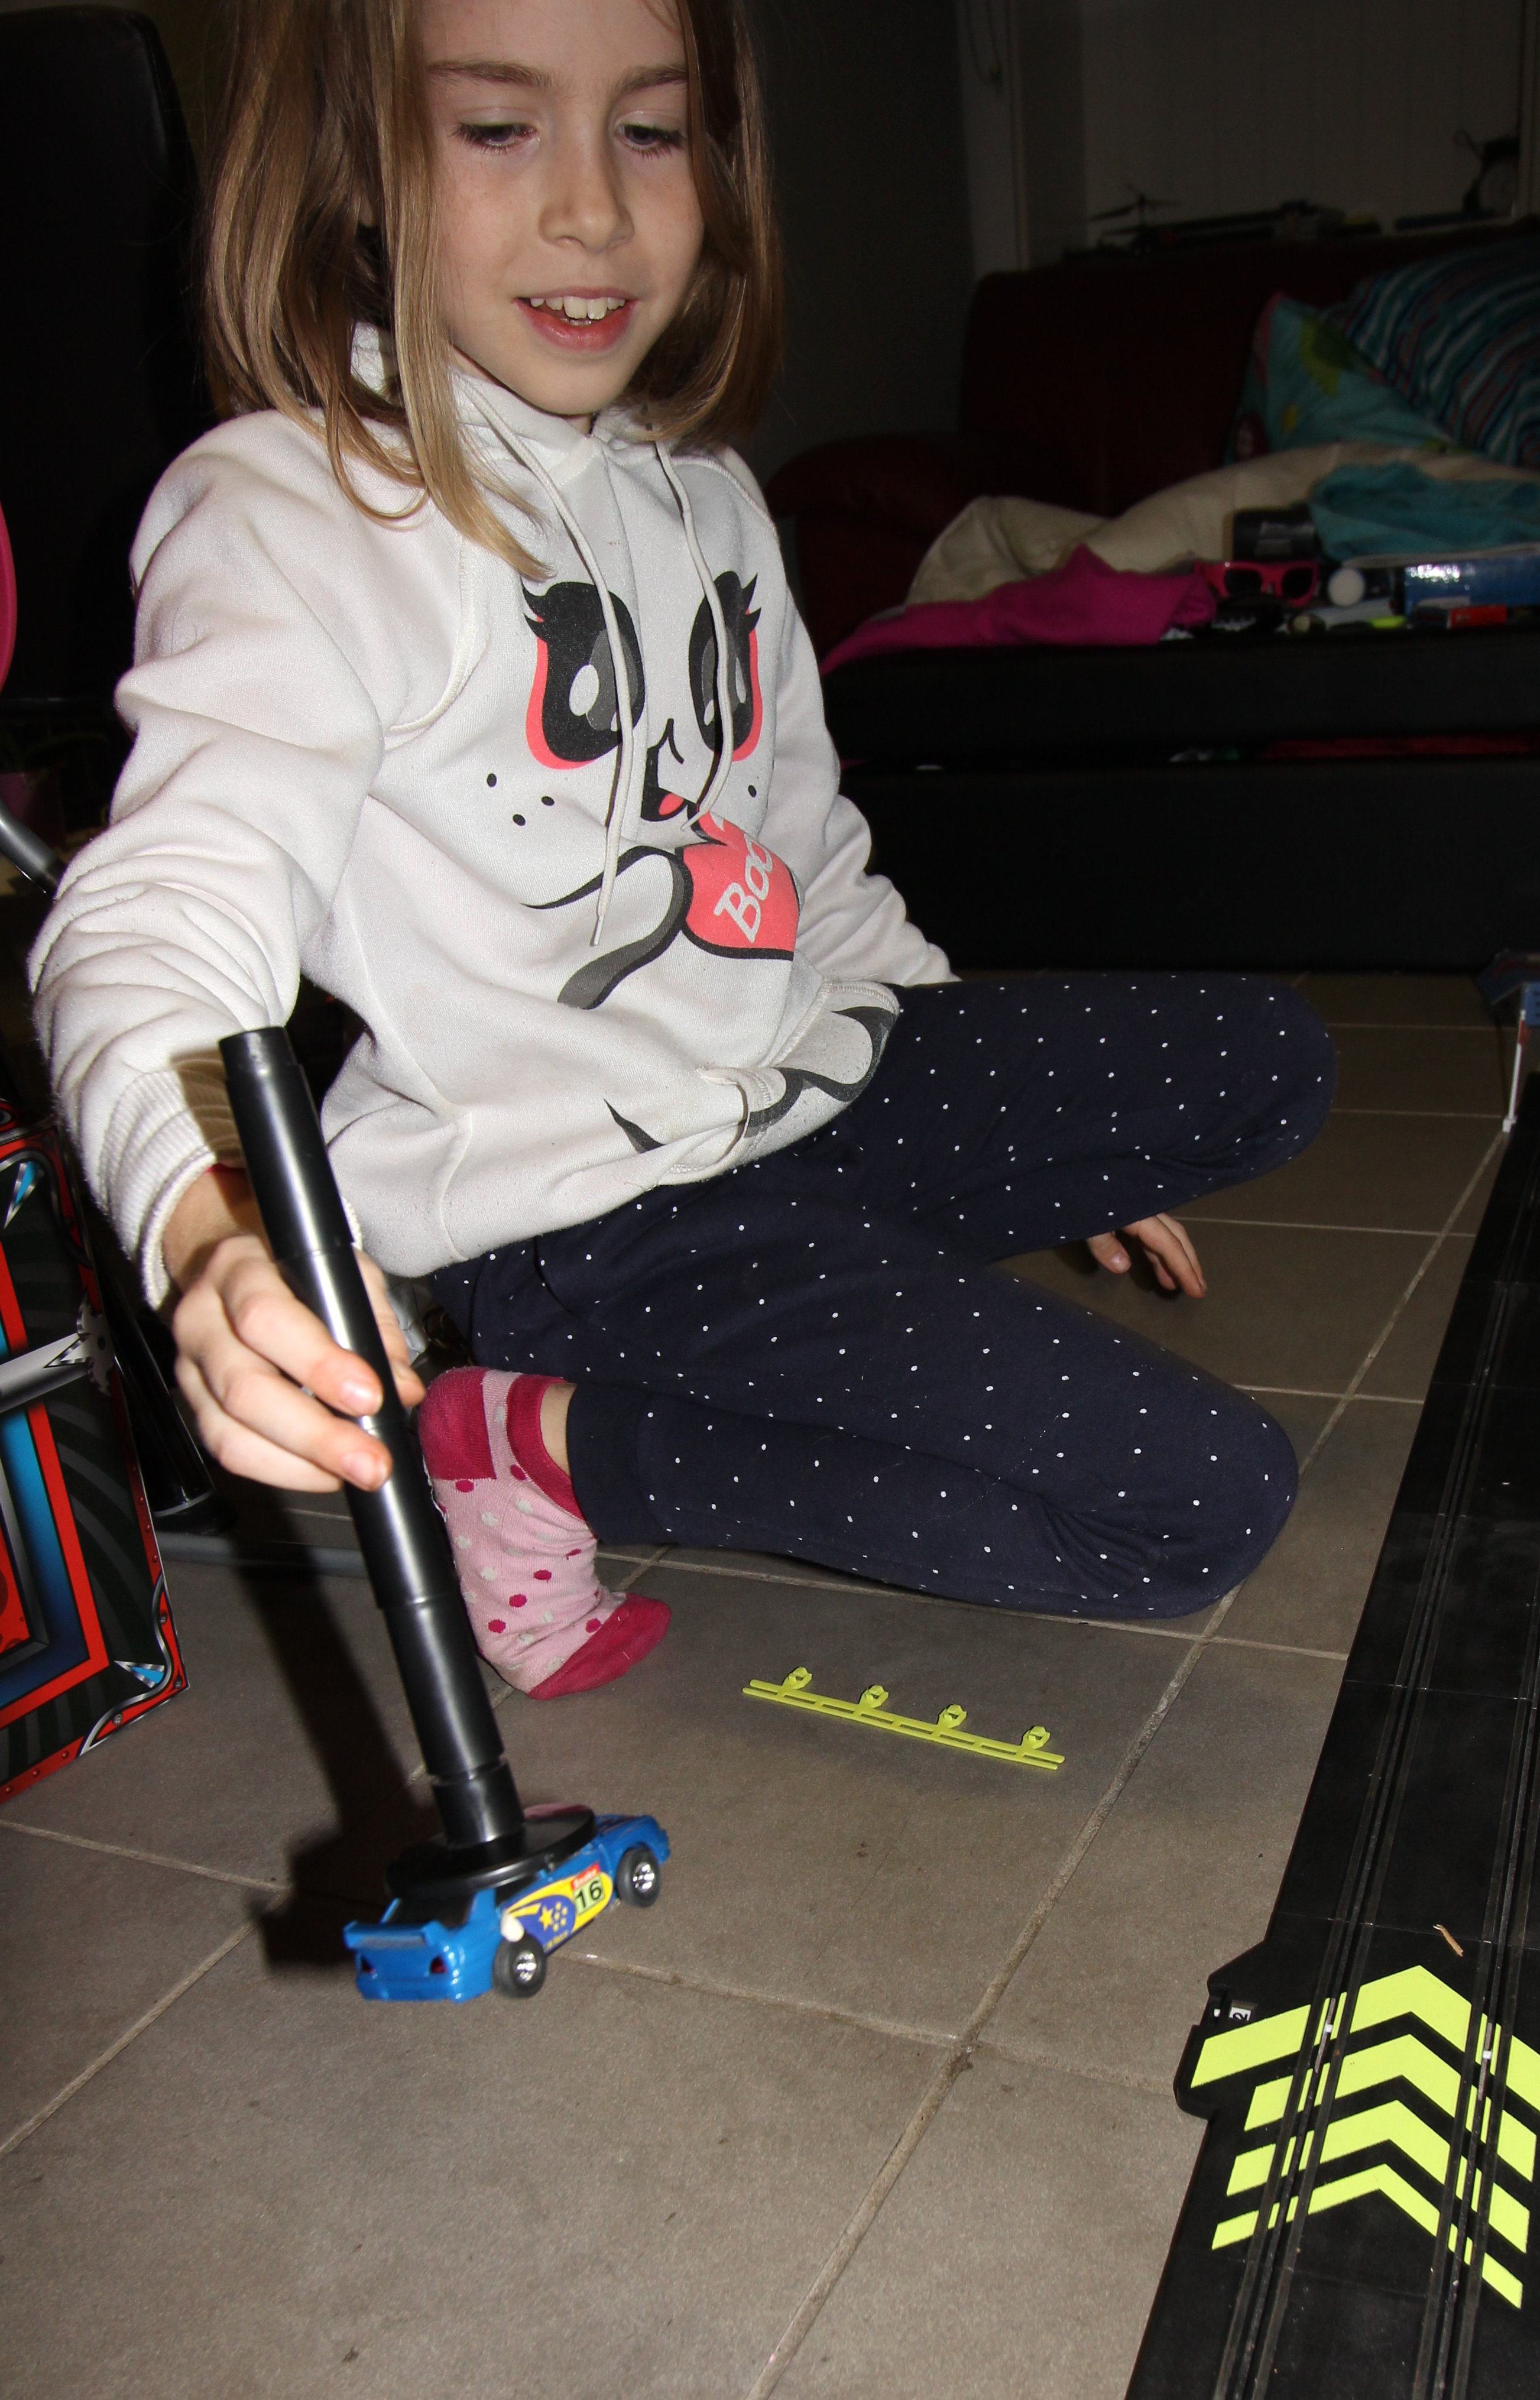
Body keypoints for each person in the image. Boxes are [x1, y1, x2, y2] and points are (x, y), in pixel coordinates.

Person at [31, 0, 1334, 1702]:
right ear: (358, 164)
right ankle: (535, 1437)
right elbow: (146, 920)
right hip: (573, 1212)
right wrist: (207, 1225)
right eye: (499, 128)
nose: (591, 209)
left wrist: (1043, 1134)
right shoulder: (291, 511)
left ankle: (815, 1299)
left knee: (1271, 1060)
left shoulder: (707, 493)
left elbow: (806, 858)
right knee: (1202, 1502)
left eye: (648, 131)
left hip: (788, 1088)